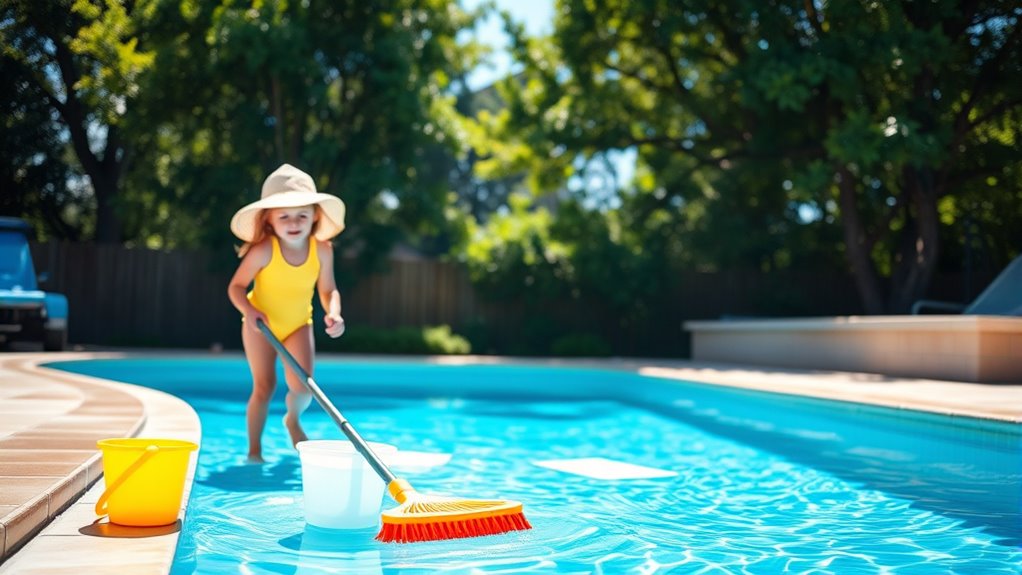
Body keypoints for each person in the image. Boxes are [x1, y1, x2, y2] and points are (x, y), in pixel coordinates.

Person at [227, 163, 347, 463]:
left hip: (297, 325)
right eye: (284, 216)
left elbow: (328, 289)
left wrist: (334, 312)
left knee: (303, 388)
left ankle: (292, 419)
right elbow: (236, 287)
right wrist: (249, 311)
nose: (294, 222)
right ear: (269, 218)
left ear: (315, 216)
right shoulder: (264, 250)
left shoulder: (322, 250)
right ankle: (254, 452)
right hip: (260, 326)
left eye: (302, 215)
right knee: (264, 387)